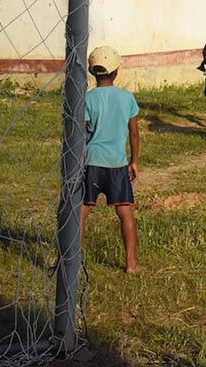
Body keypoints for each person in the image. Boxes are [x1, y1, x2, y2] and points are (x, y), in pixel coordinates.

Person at [81, 46, 142, 274]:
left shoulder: (87, 98)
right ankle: (131, 263)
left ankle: (72, 264)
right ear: (116, 72)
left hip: (91, 163)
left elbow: (82, 130)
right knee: (125, 212)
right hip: (117, 164)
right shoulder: (127, 98)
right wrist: (133, 161)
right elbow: (134, 132)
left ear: (90, 70)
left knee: (82, 212)